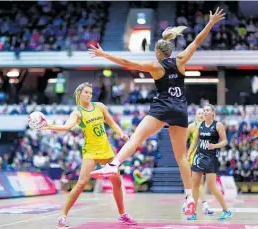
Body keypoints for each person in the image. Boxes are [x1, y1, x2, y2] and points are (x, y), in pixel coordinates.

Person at [89, 8, 225, 216]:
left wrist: (104, 54)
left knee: (136, 138)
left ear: (158, 52)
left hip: (162, 108)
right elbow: (197, 41)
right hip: (180, 110)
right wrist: (210, 23)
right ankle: (189, 196)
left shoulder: (155, 66)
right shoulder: (180, 60)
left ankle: (114, 164)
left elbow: (127, 63)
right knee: (181, 157)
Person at [41, 82, 137, 227]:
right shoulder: (77, 113)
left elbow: (111, 123)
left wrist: (121, 134)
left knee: (117, 182)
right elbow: (67, 127)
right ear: (80, 93)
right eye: (86, 92)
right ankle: (63, 216)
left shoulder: (99, 106)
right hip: (90, 151)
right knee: (81, 183)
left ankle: (122, 215)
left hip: (105, 149)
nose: (89, 95)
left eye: (91, 93)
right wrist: (50, 126)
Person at [187, 104, 232, 221]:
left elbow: (225, 141)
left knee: (212, 187)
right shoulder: (200, 125)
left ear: (212, 113)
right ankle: (193, 213)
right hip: (199, 157)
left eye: (207, 110)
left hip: (211, 158)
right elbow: (195, 141)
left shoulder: (218, 125)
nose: (205, 112)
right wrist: (189, 154)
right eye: (204, 110)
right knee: (195, 185)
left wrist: (214, 146)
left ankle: (226, 210)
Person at [181, 108, 214, 215]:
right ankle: (204, 206)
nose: (201, 115)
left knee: (198, 183)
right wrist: (185, 156)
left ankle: (187, 204)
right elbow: (183, 143)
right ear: (195, 115)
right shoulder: (191, 126)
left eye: (202, 114)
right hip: (193, 158)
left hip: (204, 157)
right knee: (196, 183)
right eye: (199, 113)